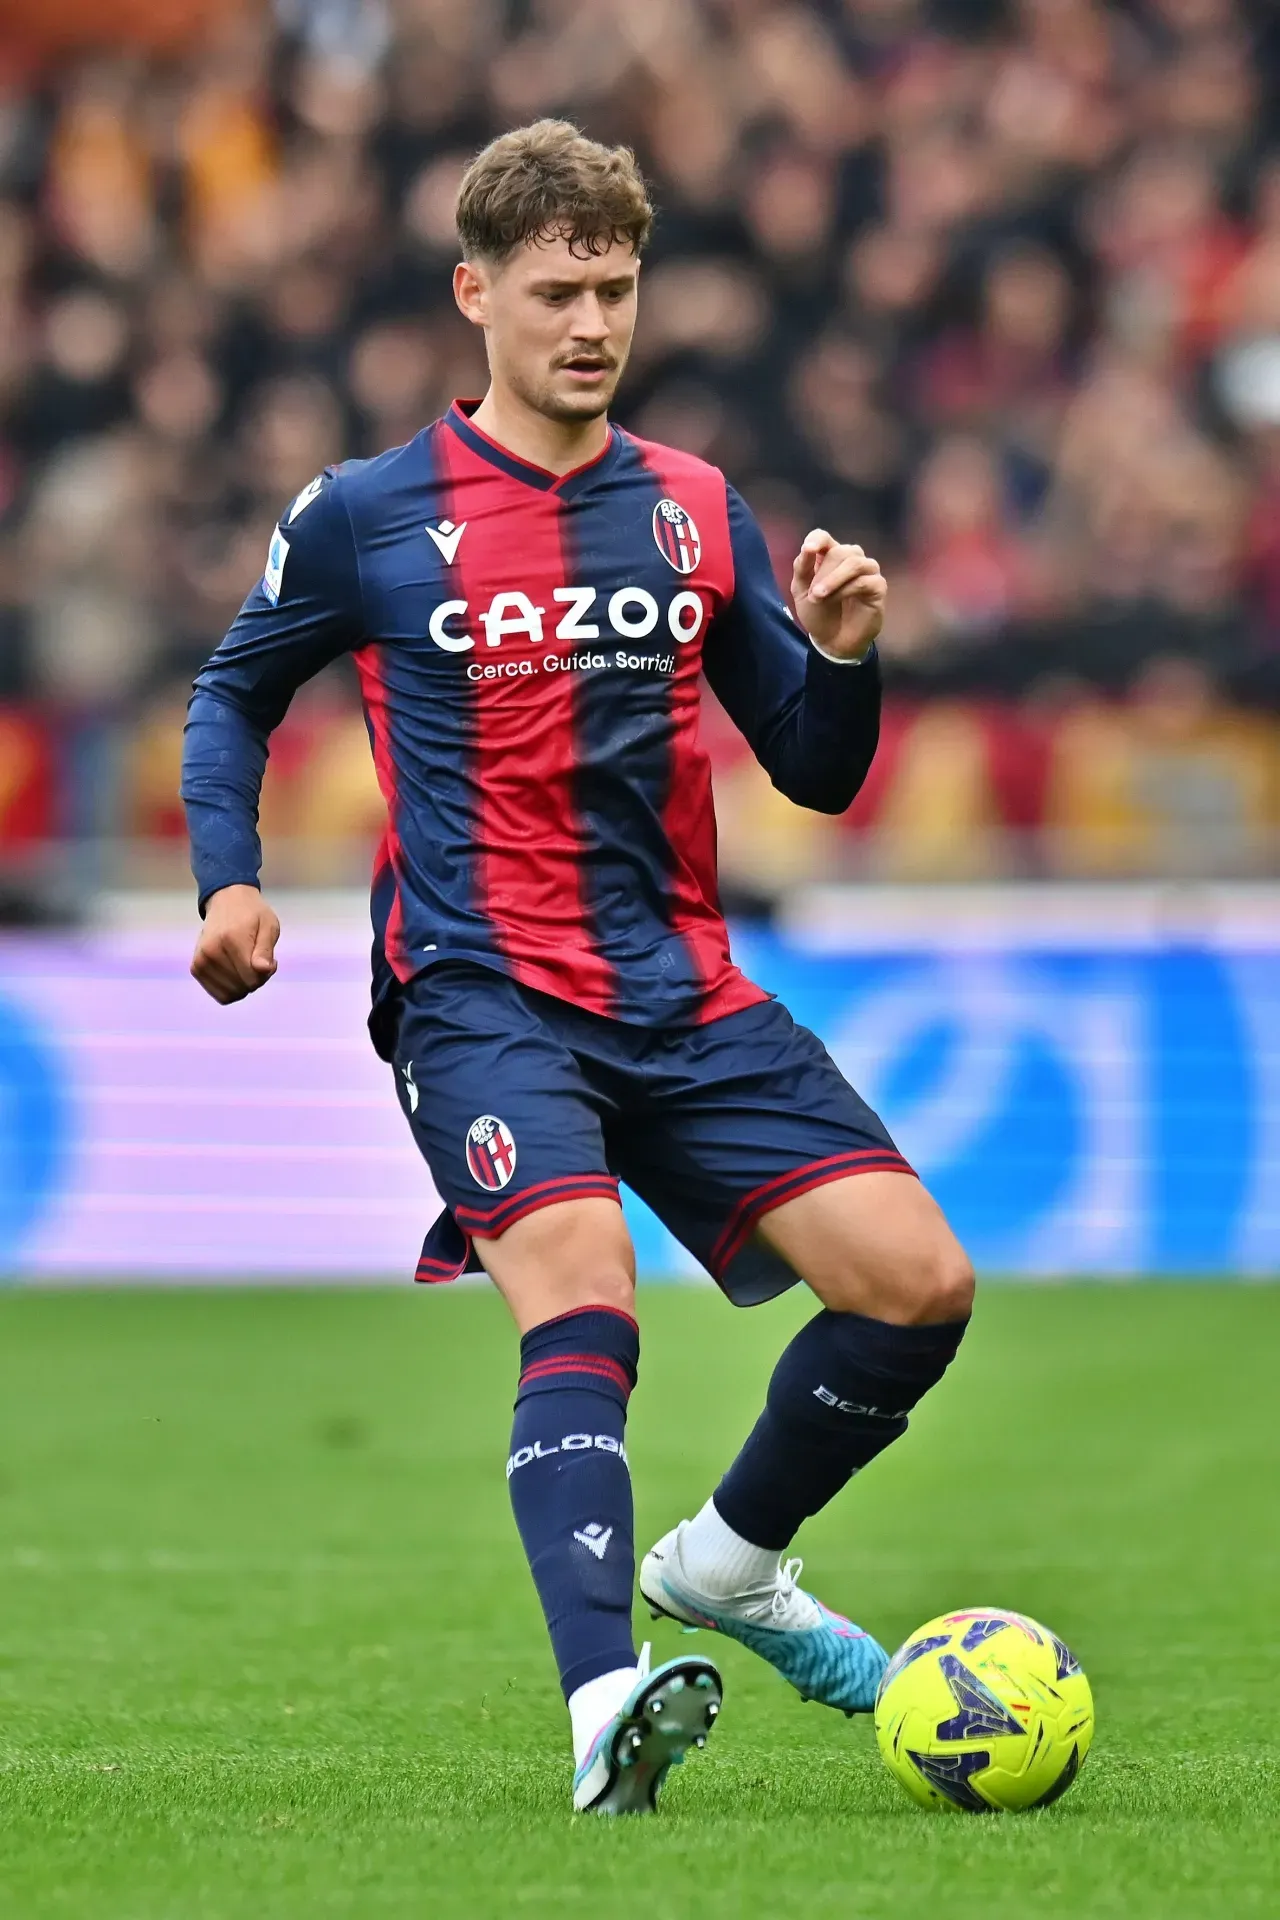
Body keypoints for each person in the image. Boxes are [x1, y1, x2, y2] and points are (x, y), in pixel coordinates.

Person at [181, 120, 974, 1816]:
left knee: (919, 1289)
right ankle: (605, 1701)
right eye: (557, 292)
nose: (594, 323)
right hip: (479, 992)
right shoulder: (368, 516)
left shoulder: (694, 508)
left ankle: (730, 1566)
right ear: (475, 295)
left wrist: (846, 658)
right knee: (584, 1299)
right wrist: (228, 881)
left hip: (681, 988)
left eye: (616, 287)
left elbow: (815, 770)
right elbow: (233, 691)